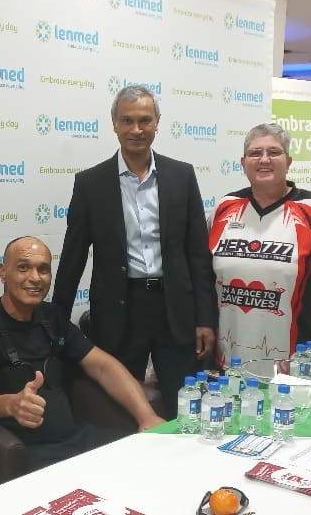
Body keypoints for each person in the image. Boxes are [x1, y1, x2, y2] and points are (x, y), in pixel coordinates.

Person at [53, 85, 217, 419]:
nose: (136, 130)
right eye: (127, 120)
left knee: (183, 405)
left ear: (158, 123)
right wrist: (55, 321)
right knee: (119, 409)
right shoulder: (90, 183)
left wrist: (205, 318)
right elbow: (73, 257)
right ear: (114, 123)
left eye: (145, 120)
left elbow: (198, 255)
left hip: (176, 310)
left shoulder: (181, 176)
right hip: (118, 311)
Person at [0, 236, 165, 471]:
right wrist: (11, 404)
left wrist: (146, 415)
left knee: (149, 459)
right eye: (23, 267)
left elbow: (103, 366)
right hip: (28, 453)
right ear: (3, 272)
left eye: (43, 270)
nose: (35, 278)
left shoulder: (52, 316)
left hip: (76, 439)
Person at [208, 123, 311, 361]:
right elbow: (202, 275)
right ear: (243, 162)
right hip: (225, 359)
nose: (264, 159)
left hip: (291, 363)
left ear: (288, 161)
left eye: (274, 152)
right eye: (255, 153)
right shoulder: (224, 208)